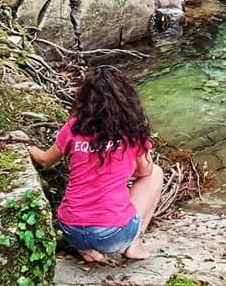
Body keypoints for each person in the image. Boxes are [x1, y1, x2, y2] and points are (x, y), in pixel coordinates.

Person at [16, 65, 164, 262]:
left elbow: (44, 160)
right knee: (155, 173)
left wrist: (27, 143)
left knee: (87, 219)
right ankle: (134, 243)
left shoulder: (75, 126)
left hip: (70, 229)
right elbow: (144, 170)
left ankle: (85, 249)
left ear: (85, 98)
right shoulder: (132, 131)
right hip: (111, 234)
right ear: (126, 99)